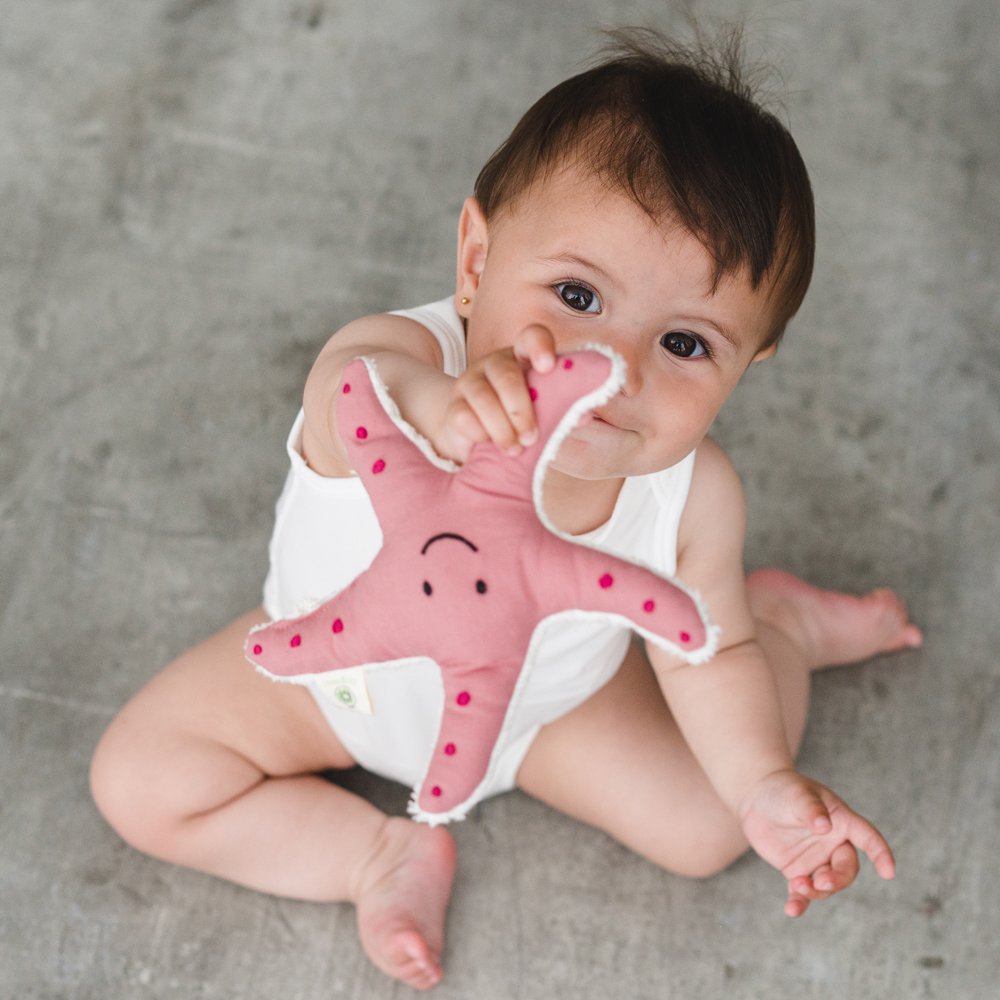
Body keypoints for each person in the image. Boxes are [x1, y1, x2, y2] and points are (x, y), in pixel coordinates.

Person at [90, 30, 923, 992]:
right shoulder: (407, 367)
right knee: (143, 780)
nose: (615, 368)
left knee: (706, 825)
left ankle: (782, 626)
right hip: (332, 681)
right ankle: (373, 857)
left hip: (550, 713)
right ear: (477, 260)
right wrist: (442, 410)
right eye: (576, 295)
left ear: (749, 364)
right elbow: (349, 384)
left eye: (688, 345)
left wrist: (763, 785)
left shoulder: (692, 493)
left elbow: (706, 656)